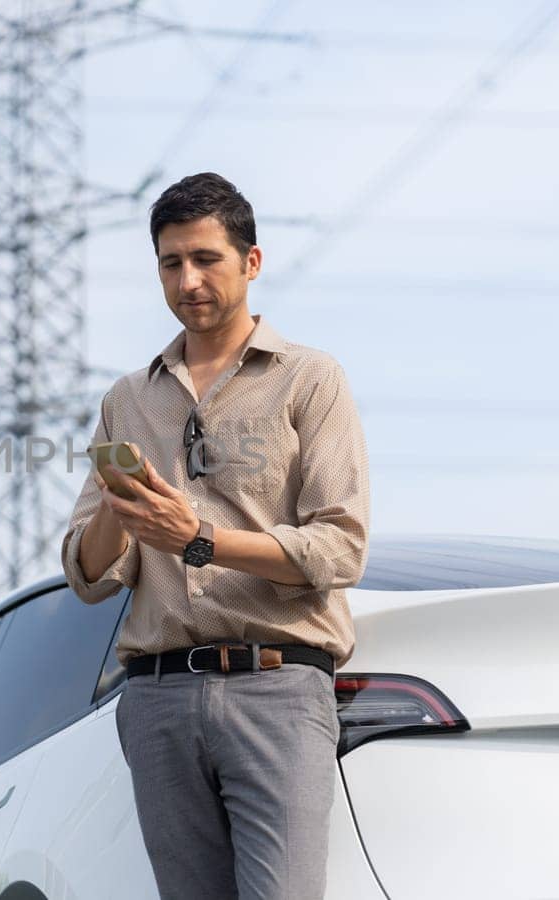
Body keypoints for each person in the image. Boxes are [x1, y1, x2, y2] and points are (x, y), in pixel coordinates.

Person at [60, 172, 369, 900]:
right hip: (158, 698)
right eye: (171, 263)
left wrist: (197, 537)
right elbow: (86, 572)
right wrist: (118, 506)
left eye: (206, 259)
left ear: (251, 263)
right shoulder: (127, 399)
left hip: (279, 687)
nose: (188, 280)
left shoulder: (309, 382)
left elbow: (338, 549)